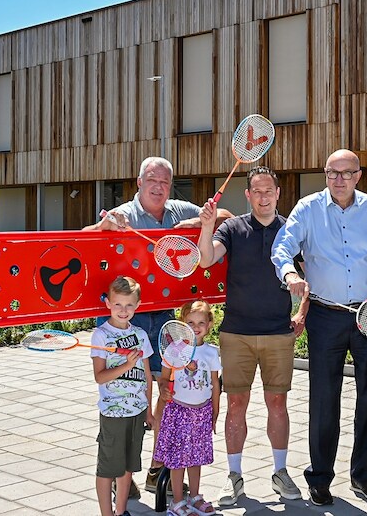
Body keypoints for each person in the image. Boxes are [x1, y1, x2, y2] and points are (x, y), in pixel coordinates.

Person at [85, 155, 230, 493]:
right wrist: (103, 228)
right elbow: (84, 236)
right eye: (152, 180)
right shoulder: (122, 213)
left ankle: (156, 469)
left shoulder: (178, 209)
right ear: (139, 182)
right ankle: (121, 473)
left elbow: (226, 216)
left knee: (166, 394)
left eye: (165, 181)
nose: (159, 186)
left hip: (165, 316)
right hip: (126, 320)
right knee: (126, 392)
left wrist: (197, 221)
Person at [271, 149, 367, 505]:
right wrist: (290, 274)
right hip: (326, 315)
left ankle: (363, 476)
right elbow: (282, 248)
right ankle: (320, 477)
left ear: (359, 176)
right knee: (324, 399)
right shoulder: (308, 208)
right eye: (332, 173)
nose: (339, 180)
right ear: (325, 174)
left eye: (346, 173)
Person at [197, 167, 304, 506]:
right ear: (247, 195)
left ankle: (280, 472)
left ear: (278, 192)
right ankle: (234, 477)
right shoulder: (232, 228)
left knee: (278, 404)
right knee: (236, 405)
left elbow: (312, 273)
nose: (263, 197)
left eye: (268, 190)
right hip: (237, 333)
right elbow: (206, 259)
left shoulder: (291, 230)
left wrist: (302, 311)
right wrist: (206, 226)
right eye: (256, 191)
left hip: (278, 333)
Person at [92, 276, 155, 516]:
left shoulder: (140, 335)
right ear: (108, 303)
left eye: (129, 305)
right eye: (117, 304)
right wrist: (126, 365)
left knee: (128, 467)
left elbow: (147, 375)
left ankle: (121, 511)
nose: (123, 310)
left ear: (137, 305)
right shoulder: (100, 335)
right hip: (113, 413)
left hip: (137, 411)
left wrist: (148, 410)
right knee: (108, 468)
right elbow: (100, 377)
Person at [153, 301, 222, 516]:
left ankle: (195, 496)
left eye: (201, 322)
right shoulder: (175, 350)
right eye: (190, 322)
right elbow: (164, 379)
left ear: (209, 324)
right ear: (182, 324)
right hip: (179, 412)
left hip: (202, 412)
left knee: (196, 457)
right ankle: (177, 502)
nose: (196, 327)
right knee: (178, 459)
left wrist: (215, 412)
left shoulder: (211, 353)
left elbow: (215, 385)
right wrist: (164, 390)